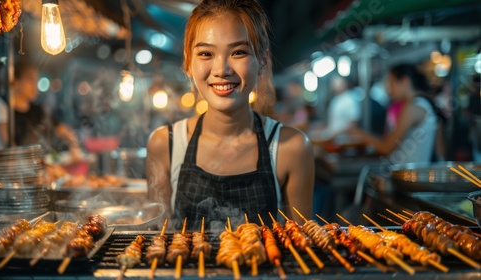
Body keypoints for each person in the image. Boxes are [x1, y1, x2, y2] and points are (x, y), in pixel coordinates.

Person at [146, 0, 314, 230]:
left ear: (262, 60)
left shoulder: (292, 147)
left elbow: (304, 247)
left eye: (238, 52)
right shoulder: (164, 145)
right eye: (206, 53)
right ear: (187, 62)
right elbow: (155, 242)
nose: (221, 69)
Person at [348, 63, 438, 164]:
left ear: (404, 81)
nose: (389, 89)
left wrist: (361, 135)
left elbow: (386, 147)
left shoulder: (412, 107)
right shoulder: (422, 104)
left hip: (409, 175)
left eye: (391, 83)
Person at [0, 58, 79, 154]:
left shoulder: (36, 110)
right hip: (0, 168)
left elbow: (58, 127)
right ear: (14, 82)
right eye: (30, 80)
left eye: (36, 81)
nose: (35, 86)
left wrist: (73, 142)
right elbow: (12, 148)